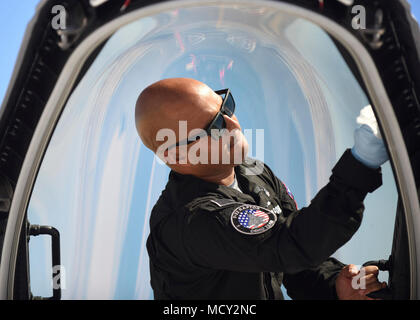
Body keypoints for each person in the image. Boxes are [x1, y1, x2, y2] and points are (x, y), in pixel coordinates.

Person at [135, 77, 388, 300]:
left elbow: (293, 263)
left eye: (227, 107)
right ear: (177, 156)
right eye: (215, 128)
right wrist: (361, 164)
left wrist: (334, 284)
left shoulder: (252, 173)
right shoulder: (193, 221)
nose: (234, 126)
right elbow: (292, 245)